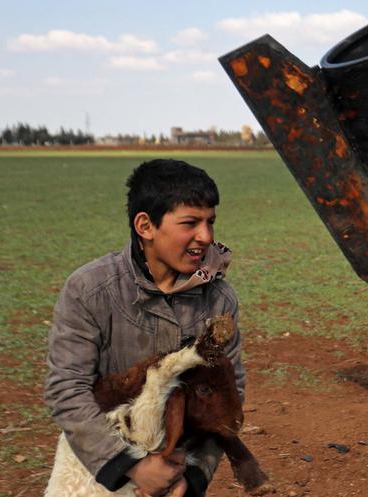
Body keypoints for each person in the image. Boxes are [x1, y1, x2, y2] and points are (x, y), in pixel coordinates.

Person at [44, 159, 245, 497]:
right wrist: (131, 467)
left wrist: (192, 477)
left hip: (177, 467)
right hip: (96, 463)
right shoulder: (90, 290)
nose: (206, 236)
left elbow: (228, 393)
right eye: (190, 223)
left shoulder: (219, 299)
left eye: (210, 221)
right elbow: (66, 389)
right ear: (145, 226)